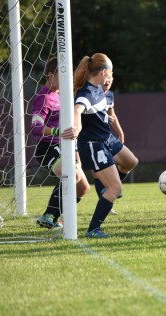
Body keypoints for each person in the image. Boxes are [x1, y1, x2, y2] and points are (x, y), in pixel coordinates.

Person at [62, 52, 121, 238]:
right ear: (104, 72)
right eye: (110, 72)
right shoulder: (88, 91)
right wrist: (76, 126)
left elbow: (95, 110)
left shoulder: (97, 90)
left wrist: (107, 117)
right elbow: (77, 109)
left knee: (118, 183)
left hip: (101, 143)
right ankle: (93, 229)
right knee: (115, 189)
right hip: (93, 146)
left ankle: (95, 223)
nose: (111, 76)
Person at [32, 57, 90, 229]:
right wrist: (57, 131)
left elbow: (71, 128)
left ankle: (55, 217)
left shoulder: (62, 96)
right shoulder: (44, 98)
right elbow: (36, 128)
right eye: (63, 76)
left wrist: (76, 152)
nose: (68, 80)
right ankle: (49, 215)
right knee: (71, 173)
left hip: (67, 147)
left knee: (83, 188)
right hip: (48, 147)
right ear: (51, 75)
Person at [92, 75, 139, 214]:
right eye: (105, 78)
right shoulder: (90, 93)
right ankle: (107, 198)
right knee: (97, 172)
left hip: (107, 137)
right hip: (92, 139)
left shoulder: (110, 95)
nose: (108, 80)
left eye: (110, 78)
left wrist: (120, 132)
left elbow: (112, 114)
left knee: (130, 162)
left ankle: (109, 190)